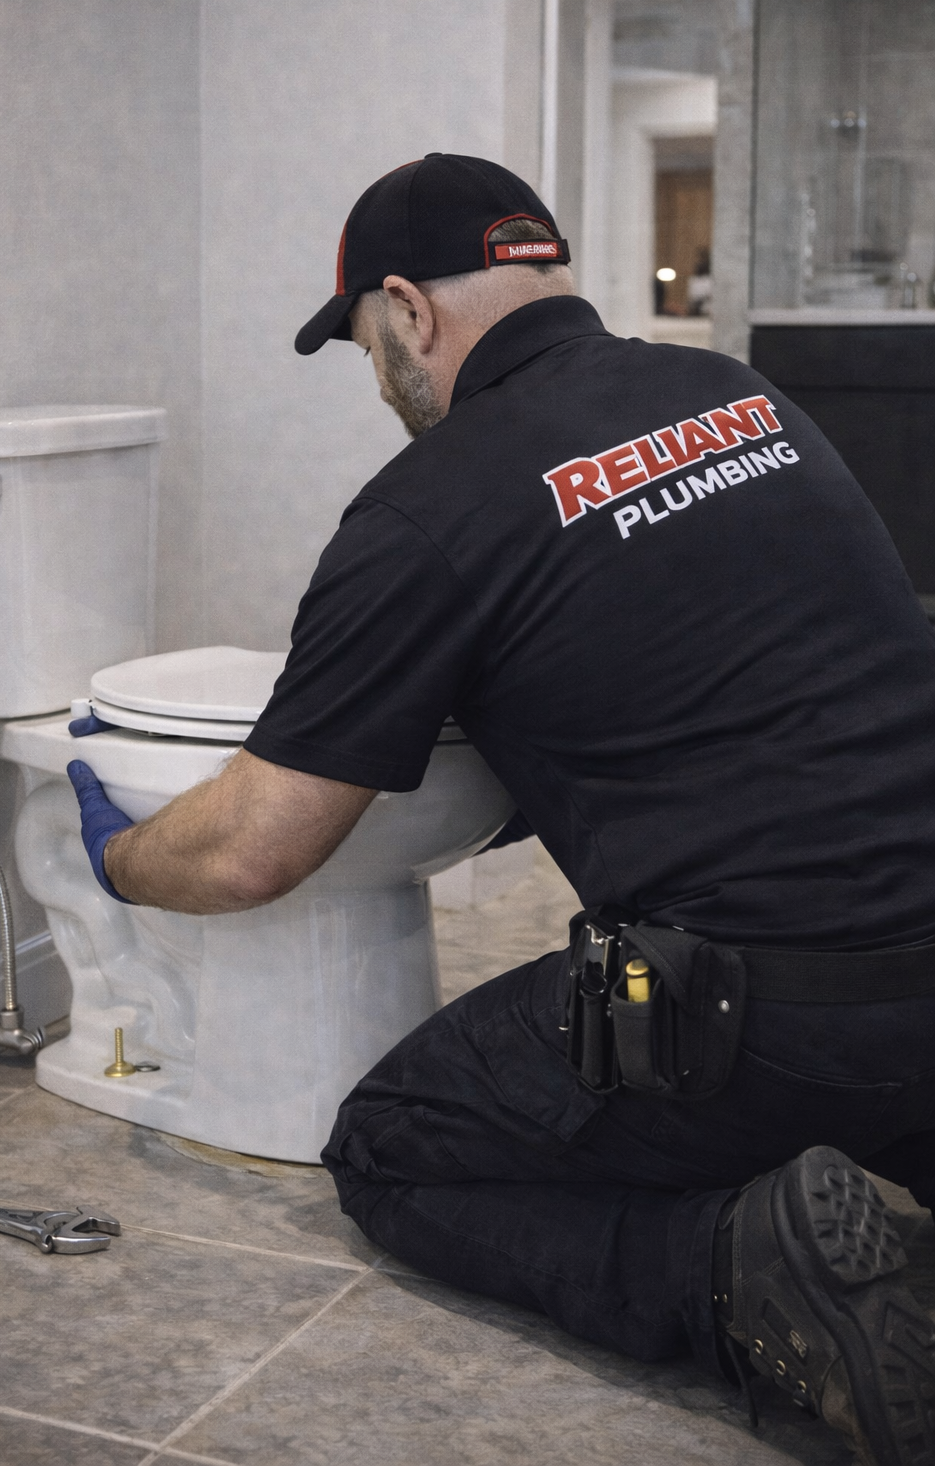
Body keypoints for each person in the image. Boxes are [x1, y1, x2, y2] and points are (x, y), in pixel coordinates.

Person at [69, 154, 935, 1465]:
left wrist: (121, 858)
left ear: (409, 310)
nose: (379, 380)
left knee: (389, 1150)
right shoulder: (737, 394)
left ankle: (730, 1270)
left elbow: (254, 853)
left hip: (763, 1016)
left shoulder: (435, 500)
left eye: (366, 345)